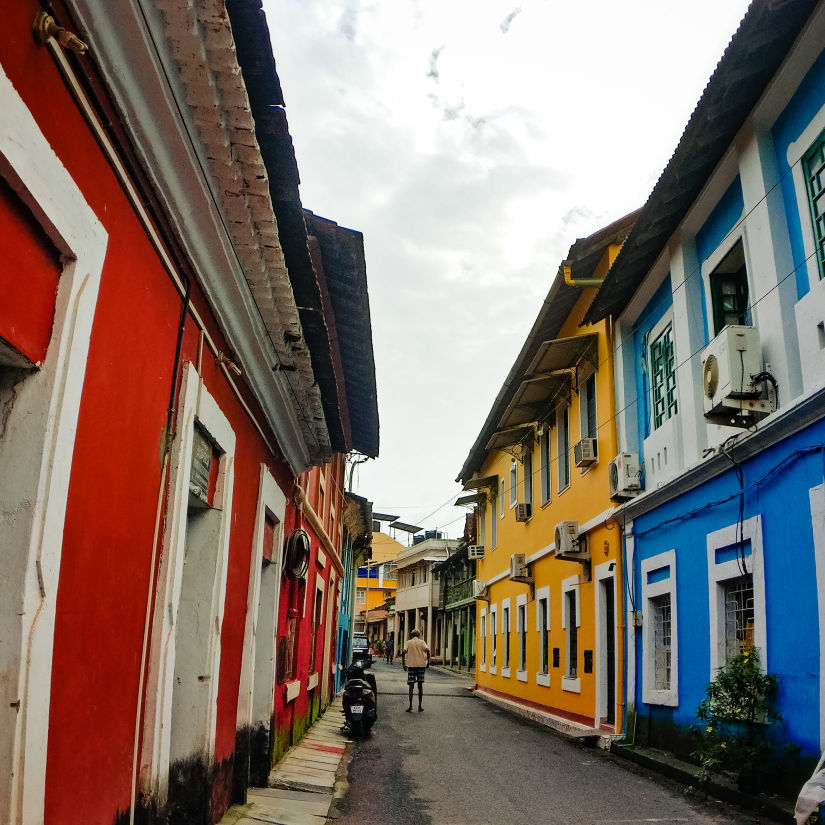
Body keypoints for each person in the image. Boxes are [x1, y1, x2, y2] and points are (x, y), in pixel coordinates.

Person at [401, 628, 430, 712]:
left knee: (411, 686)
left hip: (411, 666)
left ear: (411, 635)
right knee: (420, 686)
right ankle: (420, 706)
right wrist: (428, 662)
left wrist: (404, 663)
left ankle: (410, 706)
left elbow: (403, 651)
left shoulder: (408, 642)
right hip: (421, 666)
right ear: (419, 635)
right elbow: (428, 650)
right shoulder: (422, 642)